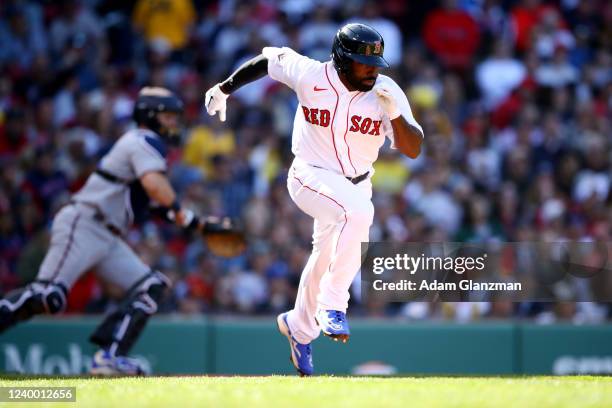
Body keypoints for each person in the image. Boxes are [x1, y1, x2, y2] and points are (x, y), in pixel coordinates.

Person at [205, 23, 424, 376]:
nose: (372, 69)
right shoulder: (310, 75)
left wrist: (396, 114)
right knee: (357, 214)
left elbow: (413, 148)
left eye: (376, 63)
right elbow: (268, 60)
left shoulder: (386, 91)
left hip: (357, 183)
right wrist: (225, 88)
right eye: (362, 62)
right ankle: (334, 304)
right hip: (308, 175)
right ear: (340, 59)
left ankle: (299, 327)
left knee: (326, 253)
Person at [0, 87, 199, 375]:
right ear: (151, 116)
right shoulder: (143, 139)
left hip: (107, 235)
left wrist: (197, 223)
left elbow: (147, 203)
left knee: (151, 287)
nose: (173, 124)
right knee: (47, 296)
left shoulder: (143, 146)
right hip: (84, 222)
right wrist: (185, 215)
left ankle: (110, 357)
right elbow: (156, 186)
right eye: (168, 116)